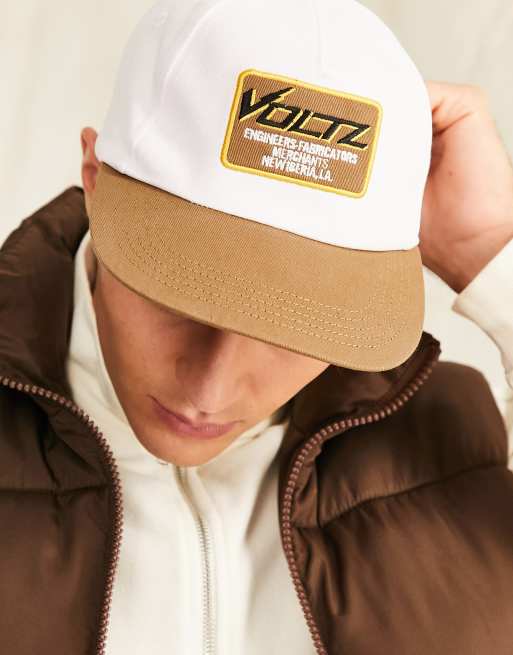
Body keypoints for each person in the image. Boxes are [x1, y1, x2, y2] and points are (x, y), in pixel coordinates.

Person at [1, 1, 513, 654]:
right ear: (96, 182)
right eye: (179, 297)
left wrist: (493, 253)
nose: (208, 392)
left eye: (294, 327)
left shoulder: (459, 444)